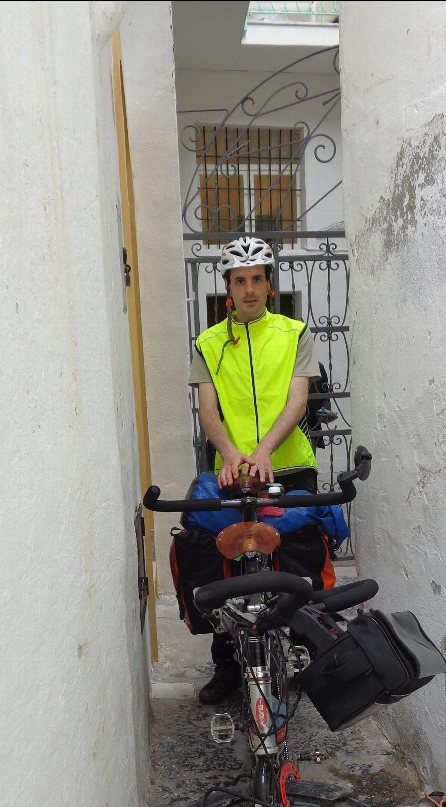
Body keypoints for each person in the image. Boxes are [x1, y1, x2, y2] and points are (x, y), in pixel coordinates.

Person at [188, 234, 321, 704]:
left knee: (300, 562)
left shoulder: (294, 333)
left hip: (288, 468)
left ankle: (306, 657)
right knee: (226, 567)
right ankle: (226, 665)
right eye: (240, 280)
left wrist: (265, 449)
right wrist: (228, 452)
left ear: (269, 285)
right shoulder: (208, 343)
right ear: (229, 287)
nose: (249, 289)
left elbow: (298, 399)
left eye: (257, 280)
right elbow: (208, 410)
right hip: (233, 473)